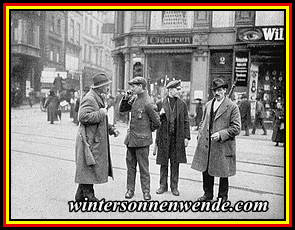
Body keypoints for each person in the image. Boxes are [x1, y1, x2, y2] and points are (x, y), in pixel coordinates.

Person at [191, 78, 241, 202]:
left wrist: (221, 134)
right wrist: (200, 133)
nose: (217, 93)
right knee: (206, 169)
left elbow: (236, 128)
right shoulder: (208, 105)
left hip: (223, 144)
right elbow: (203, 121)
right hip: (207, 143)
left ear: (225, 90)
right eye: (214, 91)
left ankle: (222, 197)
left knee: (223, 172)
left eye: (219, 90)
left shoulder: (232, 106)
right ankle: (207, 194)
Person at [74, 73, 120, 202]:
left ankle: (80, 196)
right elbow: (82, 117)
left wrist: (111, 129)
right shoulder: (90, 98)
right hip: (88, 140)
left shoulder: (97, 97)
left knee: (88, 167)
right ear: (100, 87)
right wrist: (100, 113)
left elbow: (101, 119)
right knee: (89, 167)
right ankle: (89, 195)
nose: (107, 88)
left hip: (93, 139)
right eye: (106, 85)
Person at [119, 76, 161, 201]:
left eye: (134, 86)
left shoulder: (148, 102)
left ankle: (146, 192)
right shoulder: (133, 98)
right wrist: (126, 98)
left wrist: (147, 131)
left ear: (141, 87)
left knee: (144, 168)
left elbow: (157, 122)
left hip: (142, 141)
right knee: (130, 167)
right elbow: (122, 110)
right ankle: (130, 189)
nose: (132, 88)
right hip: (131, 139)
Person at [154, 80, 190, 196]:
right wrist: (159, 114)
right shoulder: (160, 103)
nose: (179, 91)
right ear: (170, 90)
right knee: (163, 163)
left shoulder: (182, 104)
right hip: (164, 138)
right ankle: (162, 186)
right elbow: (154, 121)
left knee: (175, 163)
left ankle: (174, 187)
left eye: (179, 89)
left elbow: (186, 121)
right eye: (177, 89)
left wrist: (186, 137)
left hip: (177, 138)